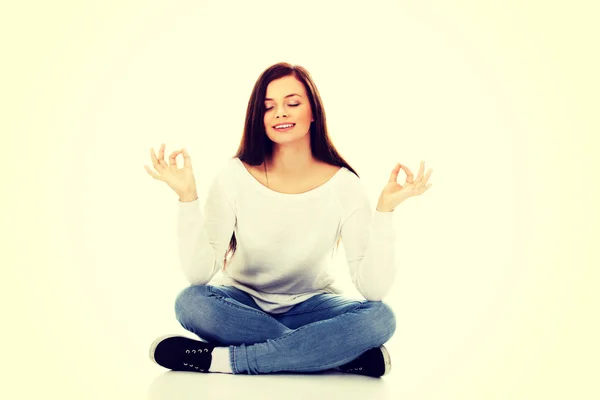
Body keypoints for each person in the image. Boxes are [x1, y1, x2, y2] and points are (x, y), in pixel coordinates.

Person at [143, 62, 433, 377]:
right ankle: (337, 357)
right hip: (241, 306)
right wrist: (187, 198)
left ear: (313, 112)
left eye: (292, 103)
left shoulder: (345, 185)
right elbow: (199, 275)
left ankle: (223, 362)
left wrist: (385, 211)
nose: (281, 113)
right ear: (259, 117)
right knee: (191, 303)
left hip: (312, 308)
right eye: (269, 107)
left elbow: (373, 290)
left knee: (381, 318)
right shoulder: (233, 176)